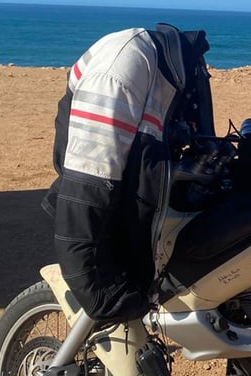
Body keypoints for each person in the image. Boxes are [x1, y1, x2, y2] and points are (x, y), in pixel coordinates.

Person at [41, 24, 214, 322]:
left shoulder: (167, 68)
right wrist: (100, 292)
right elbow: (87, 190)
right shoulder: (118, 75)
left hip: (117, 168)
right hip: (95, 179)